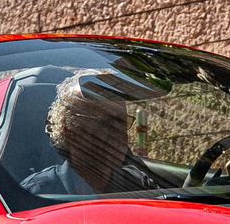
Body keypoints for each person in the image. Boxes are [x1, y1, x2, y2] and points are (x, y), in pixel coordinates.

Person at [20, 72, 162, 197]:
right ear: (70, 129)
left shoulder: (136, 184)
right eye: (105, 123)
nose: (119, 131)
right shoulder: (39, 192)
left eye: (122, 121)